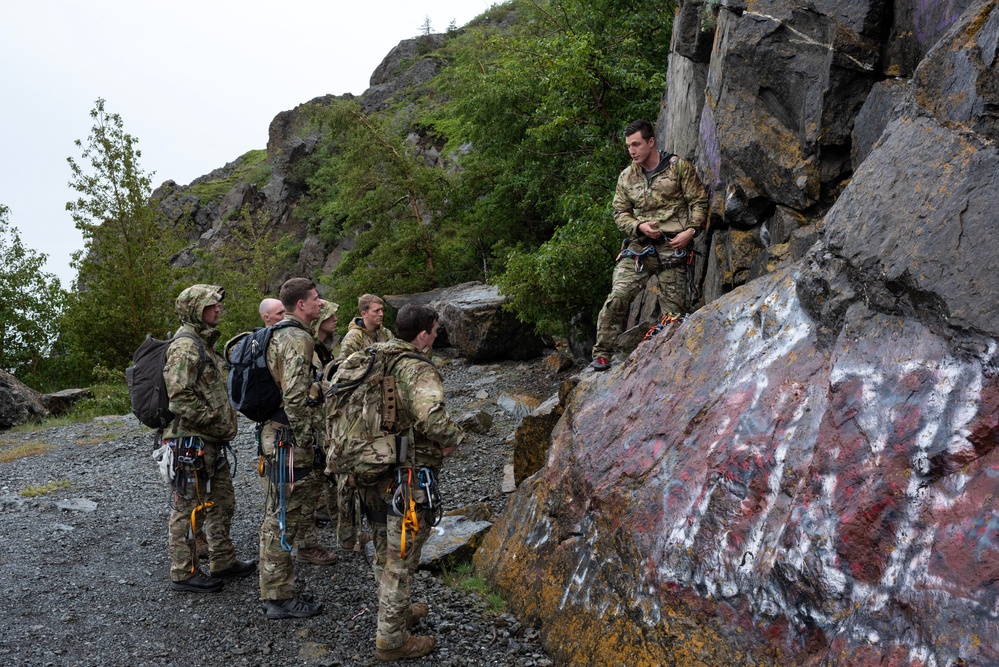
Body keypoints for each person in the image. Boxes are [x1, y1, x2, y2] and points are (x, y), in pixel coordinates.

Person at [356, 304, 463, 661]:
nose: (436, 335)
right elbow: (432, 418)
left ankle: (396, 613)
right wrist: (454, 438)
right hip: (407, 476)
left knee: (384, 550)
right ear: (422, 334)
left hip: (372, 470)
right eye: (434, 330)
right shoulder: (416, 368)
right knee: (401, 559)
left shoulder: (376, 356)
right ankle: (392, 640)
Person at [591, 119, 708, 371]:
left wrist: (690, 231)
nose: (631, 150)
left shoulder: (678, 168)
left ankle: (667, 366)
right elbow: (619, 213)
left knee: (672, 317)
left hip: (674, 249)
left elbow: (699, 202)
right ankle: (602, 354)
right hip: (639, 249)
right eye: (628, 146)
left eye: (636, 144)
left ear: (651, 142)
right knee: (618, 298)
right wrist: (638, 226)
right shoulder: (626, 176)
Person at [163, 284, 256, 592]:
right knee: (189, 509)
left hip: (211, 444)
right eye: (210, 305)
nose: (218, 309)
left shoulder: (203, 344)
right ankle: (184, 572)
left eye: (217, 304)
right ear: (194, 310)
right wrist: (213, 420)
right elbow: (179, 398)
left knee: (222, 501)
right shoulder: (186, 347)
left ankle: (223, 561)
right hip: (193, 444)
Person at [258, 278, 329, 619]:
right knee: (281, 518)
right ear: (301, 304)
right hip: (288, 440)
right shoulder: (298, 337)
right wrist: (307, 439)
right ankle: (278, 597)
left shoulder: (277, 333)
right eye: (316, 299)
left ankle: (278, 589)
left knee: (280, 514)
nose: (320, 303)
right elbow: (297, 398)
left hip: (276, 435)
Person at [339, 294, 393, 358]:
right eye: (376, 311)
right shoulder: (353, 338)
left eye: (381, 309)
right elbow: (343, 365)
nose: (381, 314)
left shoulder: (386, 333)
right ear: (364, 314)